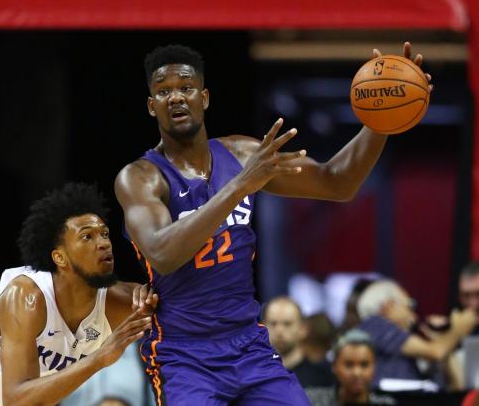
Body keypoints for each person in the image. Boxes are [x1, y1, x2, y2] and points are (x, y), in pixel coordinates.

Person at [115, 42, 431, 405]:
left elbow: (338, 182)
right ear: (151, 105)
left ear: (204, 98)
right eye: (163, 91)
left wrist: (381, 119)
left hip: (248, 343)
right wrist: (239, 187)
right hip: (185, 354)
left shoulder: (242, 154)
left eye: (185, 88)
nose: (175, 98)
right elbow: (162, 253)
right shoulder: (140, 178)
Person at [0, 182, 157, 406]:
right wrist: (100, 358)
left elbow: (180, 308)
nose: (103, 242)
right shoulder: (26, 295)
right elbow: (17, 399)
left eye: (104, 233)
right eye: (87, 236)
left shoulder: (120, 301)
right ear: (59, 257)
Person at [356, 279, 476, 390]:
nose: (414, 315)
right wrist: (458, 329)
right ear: (389, 306)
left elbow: (458, 386)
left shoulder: (400, 342)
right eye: (410, 305)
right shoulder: (375, 325)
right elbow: (436, 352)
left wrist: (443, 338)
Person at [305, 329, 396, 406]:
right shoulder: (312, 400)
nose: (356, 373)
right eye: (349, 365)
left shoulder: (386, 403)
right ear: (334, 366)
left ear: (374, 367)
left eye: (364, 365)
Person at [263, 297, 334, 387]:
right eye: (273, 323)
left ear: (303, 328)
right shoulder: (251, 375)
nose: (279, 331)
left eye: (287, 324)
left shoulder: (322, 378)